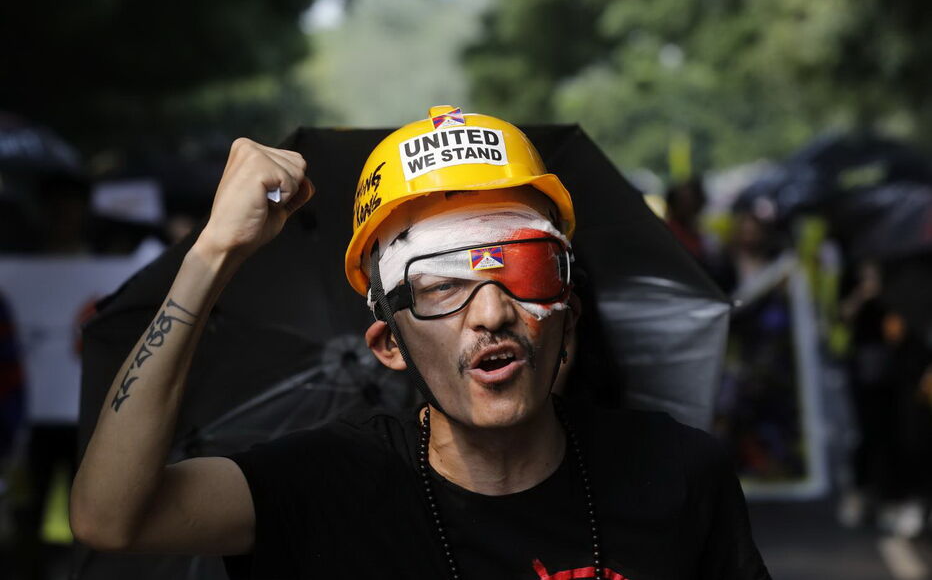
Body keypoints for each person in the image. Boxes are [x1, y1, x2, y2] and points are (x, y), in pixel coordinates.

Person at [70, 107, 770, 579]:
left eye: (523, 267)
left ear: (568, 313)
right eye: (440, 284)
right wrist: (213, 253)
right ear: (388, 343)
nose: (492, 310)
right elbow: (109, 516)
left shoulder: (679, 474)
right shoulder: (331, 487)